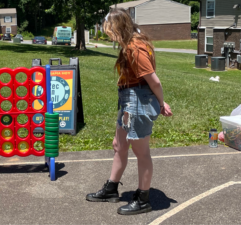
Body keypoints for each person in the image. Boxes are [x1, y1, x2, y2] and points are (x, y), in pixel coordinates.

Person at [86, 9, 172, 215]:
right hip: (128, 101)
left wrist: (161, 103)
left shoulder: (136, 48)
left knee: (141, 152)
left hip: (138, 102)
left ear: (119, 27)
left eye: (110, 31)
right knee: (119, 145)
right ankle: (111, 189)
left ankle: (143, 198)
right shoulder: (130, 45)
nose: (109, 35)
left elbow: (155, 81)